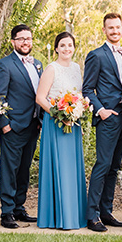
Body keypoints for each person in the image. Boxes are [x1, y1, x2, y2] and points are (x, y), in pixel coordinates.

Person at [83, 12, 122, 232]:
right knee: (102, 165)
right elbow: (87, 89)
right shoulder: (96, 55)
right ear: (104, 30)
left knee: (114, 167)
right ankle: (92, 215)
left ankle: (106, 211)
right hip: (107, 118)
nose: (115, 31)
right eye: (110, 28)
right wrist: (101, 110)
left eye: (118, 27)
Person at [0, 24, 43, 229]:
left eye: (28, 38)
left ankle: (19, 208)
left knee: (24, 169)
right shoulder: (4, 65)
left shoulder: (37, 64)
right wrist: (5, 124)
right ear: (12, 41)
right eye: (21, 39)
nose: (25, 42)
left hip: (33, 125)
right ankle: (6, 212)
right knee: (9, 170)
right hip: (13, 126)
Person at [36, 31, 88, 230]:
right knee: (58, 168)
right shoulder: (51, 68)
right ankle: (56, 216)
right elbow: (40, 98)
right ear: (56, 48)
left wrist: (76, 120)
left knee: (72, 169)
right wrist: (60, 115)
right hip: (56, 123)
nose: (67, 49)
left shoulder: (76, 68)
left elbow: (79, 98)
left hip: (72, 125)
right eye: (63, 45)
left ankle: (73, 215)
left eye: (70, 45)